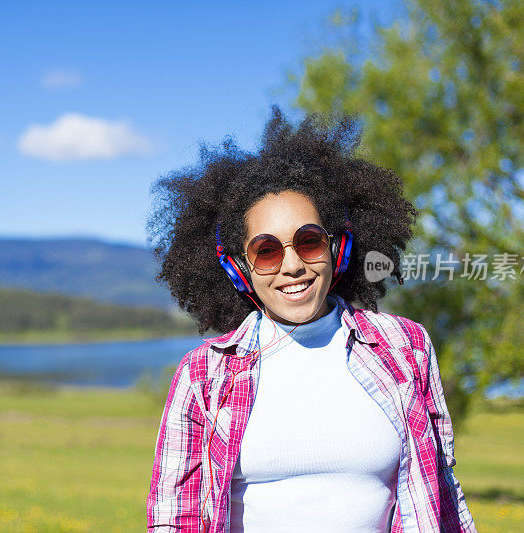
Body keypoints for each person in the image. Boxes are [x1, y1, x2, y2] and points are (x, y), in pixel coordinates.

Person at [146, 107, 476, 533]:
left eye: (309, 241)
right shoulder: (202, 374)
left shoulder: (407, 347)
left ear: (338, 248)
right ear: (236, 268)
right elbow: (173, 518)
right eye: (266, 250)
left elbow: (442, 494)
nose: (292, 265)